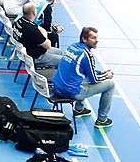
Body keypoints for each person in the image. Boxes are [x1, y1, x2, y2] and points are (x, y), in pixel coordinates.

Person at [50, 26, 116, 154]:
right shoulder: (87, 55)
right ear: (84, 39)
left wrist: (99, 72)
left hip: (57, 86)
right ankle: (102, 119)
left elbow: (84, 70)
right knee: (110, 84)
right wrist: (106, 75)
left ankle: (79, 109)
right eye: (93, 38)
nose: (96, 41)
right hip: (71, 92)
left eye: (97, 38)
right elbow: (94, 80)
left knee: (81, 77)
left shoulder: (73, 47)